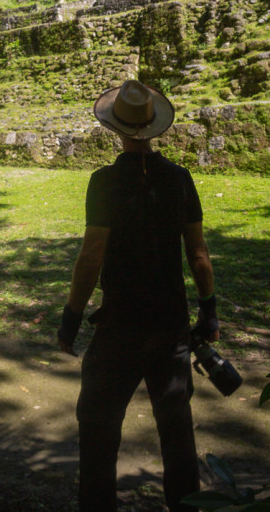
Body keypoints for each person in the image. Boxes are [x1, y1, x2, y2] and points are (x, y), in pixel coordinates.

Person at [57, 79, 219, 512]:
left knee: (97, 428)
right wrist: (209, 314)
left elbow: (91, 257)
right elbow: (199, 256)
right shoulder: (180, 180)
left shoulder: (104, 182)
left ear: (117, 129)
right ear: (154, 126)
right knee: (177, 433)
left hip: (119, 326)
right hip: (170, 327)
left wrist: (71, 318)